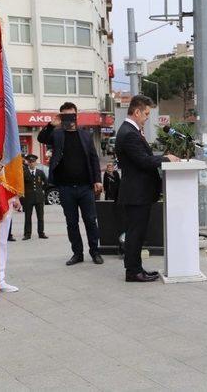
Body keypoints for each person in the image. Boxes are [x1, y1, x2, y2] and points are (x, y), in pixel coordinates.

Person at [115, 95, 180, 282]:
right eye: (145, 113)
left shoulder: (131, 130)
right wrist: (166, 158)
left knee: (138, 233)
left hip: (139, 192)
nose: (147, 117)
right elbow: (143, 161)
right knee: (135, 234)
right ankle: (133, 271)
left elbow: (143, 157)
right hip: (136, 193)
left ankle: (137, 268)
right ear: (136, 112)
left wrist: (162, 157)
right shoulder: (129, 133)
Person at [37, 102, 104, 266]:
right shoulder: (57, 134)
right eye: (64, 115)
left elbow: (94, 159)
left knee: (90, 221)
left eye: (71, 115)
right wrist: (51, 125)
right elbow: (41, 138)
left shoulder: (86, 135)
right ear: (61, 116)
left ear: (76, 115)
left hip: (85, 187)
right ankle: (77, 254)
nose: (68, 118)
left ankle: (95, 252)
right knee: (71, 223)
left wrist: (97, 180)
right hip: (65, 188)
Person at [0, 162, 22, 292]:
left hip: (3, 194)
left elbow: (11, 163)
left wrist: (14, 195)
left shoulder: (6, 141)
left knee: (1, 241)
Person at [20, 154, 48, 240]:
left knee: (40, 216)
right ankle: (27, 234)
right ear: (28, 163)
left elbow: (46, 183)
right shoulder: (24, 172)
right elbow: (21, 185)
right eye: (30, 162)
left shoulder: (40, 172)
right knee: (28, 216)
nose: (32, 163)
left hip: (39, 198)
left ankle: (41, 233)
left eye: (33, 162)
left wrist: (41, 190)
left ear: (36, 162)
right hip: (28, 198)